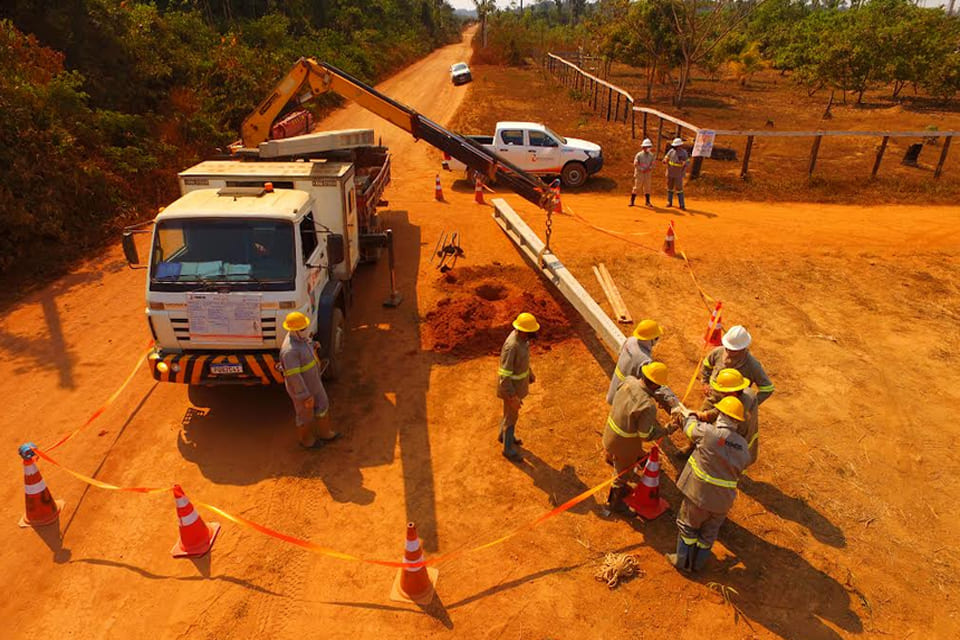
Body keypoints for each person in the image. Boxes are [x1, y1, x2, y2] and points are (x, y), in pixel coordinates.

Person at [667, 396, 752, 573]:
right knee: (709, 534)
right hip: (723, 503)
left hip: (699, 496)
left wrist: (686, 414)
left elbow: (689, 428)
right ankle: (698, 565)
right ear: (737, 421)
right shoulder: (743, 446)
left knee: (688, 527)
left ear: (721, 414)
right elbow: (740, 467)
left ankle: (682, 562)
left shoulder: (708, 433)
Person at [602, 362, 678, 514]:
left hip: (609, 433)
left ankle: (611, 458)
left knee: (621, 457)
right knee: (621, 475)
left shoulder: (629, 380)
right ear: (655, 385)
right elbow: (645, 435)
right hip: (624, 446)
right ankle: (615, 503)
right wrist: (667, 429)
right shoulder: (647, 406)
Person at [280, 311, 341, 449]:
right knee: (305, 415)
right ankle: (306, 441)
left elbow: (306, 346)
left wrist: (313, 345)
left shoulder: (302, 339)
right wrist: (304, 396)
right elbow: (294, 377)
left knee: (323, 404)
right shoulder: (289, 352)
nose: (305, 330)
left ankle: (326, 433)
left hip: (314, 383)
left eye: (304, 327)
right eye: (302, 329)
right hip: (302, 390)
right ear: (293, 330)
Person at [606, 319, 679, 412]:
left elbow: (621, 354)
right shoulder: (644, 359)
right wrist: (671, 401)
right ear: (651, 339)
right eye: (656, 338)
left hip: (614, 388)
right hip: (624, 395)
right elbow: (650, 384)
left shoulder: (630, 341)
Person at [497, 312, 539, 461]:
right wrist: (512, 396)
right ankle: (508, 449)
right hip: (511, 389)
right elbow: (504, 376)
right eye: (530, 332)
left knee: (508, 414)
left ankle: (503, 436)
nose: (533, 335)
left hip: (518, 386)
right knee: (512, 417)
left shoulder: (523, 340)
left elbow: (523, 362)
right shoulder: (512, 346)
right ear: (522, 331)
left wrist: (530, 373)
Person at [698, 368, 759, 463]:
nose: (721, 394)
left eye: (723, 392)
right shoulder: (742, 393)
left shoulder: (741, 406)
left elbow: (725, 427)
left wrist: (706, 416)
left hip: (736, 443)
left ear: (732, 392)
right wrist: (704, 414)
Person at [663, 137, 689, 210]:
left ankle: (682, 204)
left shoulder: (684, 153)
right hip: (670, 172)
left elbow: (687, 161)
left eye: (676, 146)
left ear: (680, 146)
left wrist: (684, 163)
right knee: (670, 188)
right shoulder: (671, 151)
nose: (675, 147)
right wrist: (665, 160)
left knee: (679, 189)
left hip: (679, 174)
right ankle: (669, 202)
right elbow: (666, 157)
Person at [631, 139, 655, 207]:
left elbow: (653, 164)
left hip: (647, 173)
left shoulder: (651, 155)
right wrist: (641, 169)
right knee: (637, 187)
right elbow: (635, 164)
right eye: (647, 147)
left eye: (649, 147)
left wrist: (649, 169)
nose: (648, 148)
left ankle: (647, 202)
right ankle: (632, 201)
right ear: (643, 147)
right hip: (639, 173)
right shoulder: (639, 155)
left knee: (647, 187)